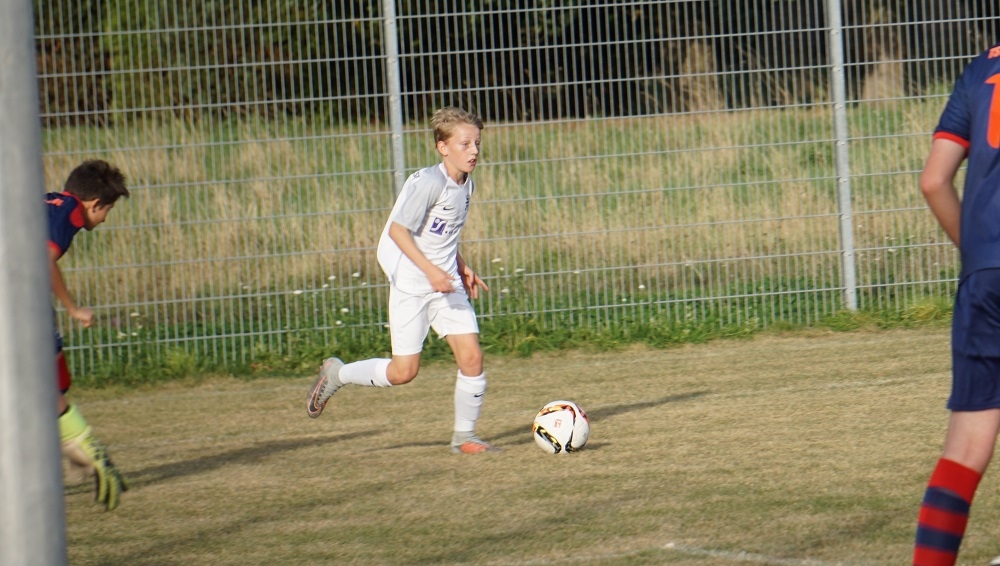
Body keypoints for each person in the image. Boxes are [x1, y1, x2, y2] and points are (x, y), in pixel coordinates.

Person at [307, 106, 498, 454]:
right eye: (465, 144)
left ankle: (464, 437)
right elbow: (398, 231)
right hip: (413, 285)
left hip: (445, 283)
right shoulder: (429, 183)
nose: (474, 151)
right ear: (443, 147)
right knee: (403, 372)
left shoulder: (466, 184)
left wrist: (460, 265)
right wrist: (431, 272)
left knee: (472, 357)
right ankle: (337, 374)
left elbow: (440, 236)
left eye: (477, 143)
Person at [913, 43, 1000, 565]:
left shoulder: (980, 70)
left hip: (985, 275)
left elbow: (933, 181)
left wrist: (979, 256)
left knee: (966, 447)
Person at [47, 159, 130, 510]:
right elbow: (43, 259)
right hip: (17, 306)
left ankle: (78, 453)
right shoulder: (70, 213)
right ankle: (89, 452)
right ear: (95, 203)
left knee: (56, 383)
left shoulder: (50, 201)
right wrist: (73, 307)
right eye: (108, 210)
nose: (106, 218)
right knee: (48, 390)